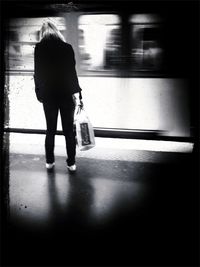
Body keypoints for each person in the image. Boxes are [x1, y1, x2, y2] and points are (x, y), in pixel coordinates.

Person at [34, 21, 82, 172]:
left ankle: (49, 162)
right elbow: (72, 73)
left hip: (49, 96)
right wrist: (78, 95)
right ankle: (71, 163)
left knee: (50, 130)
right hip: (67, 95)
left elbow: (38, 73)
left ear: (43, 32)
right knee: (68, 131)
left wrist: (39, 94)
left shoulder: (39, 48)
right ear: (57, 31)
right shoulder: (67, 48)